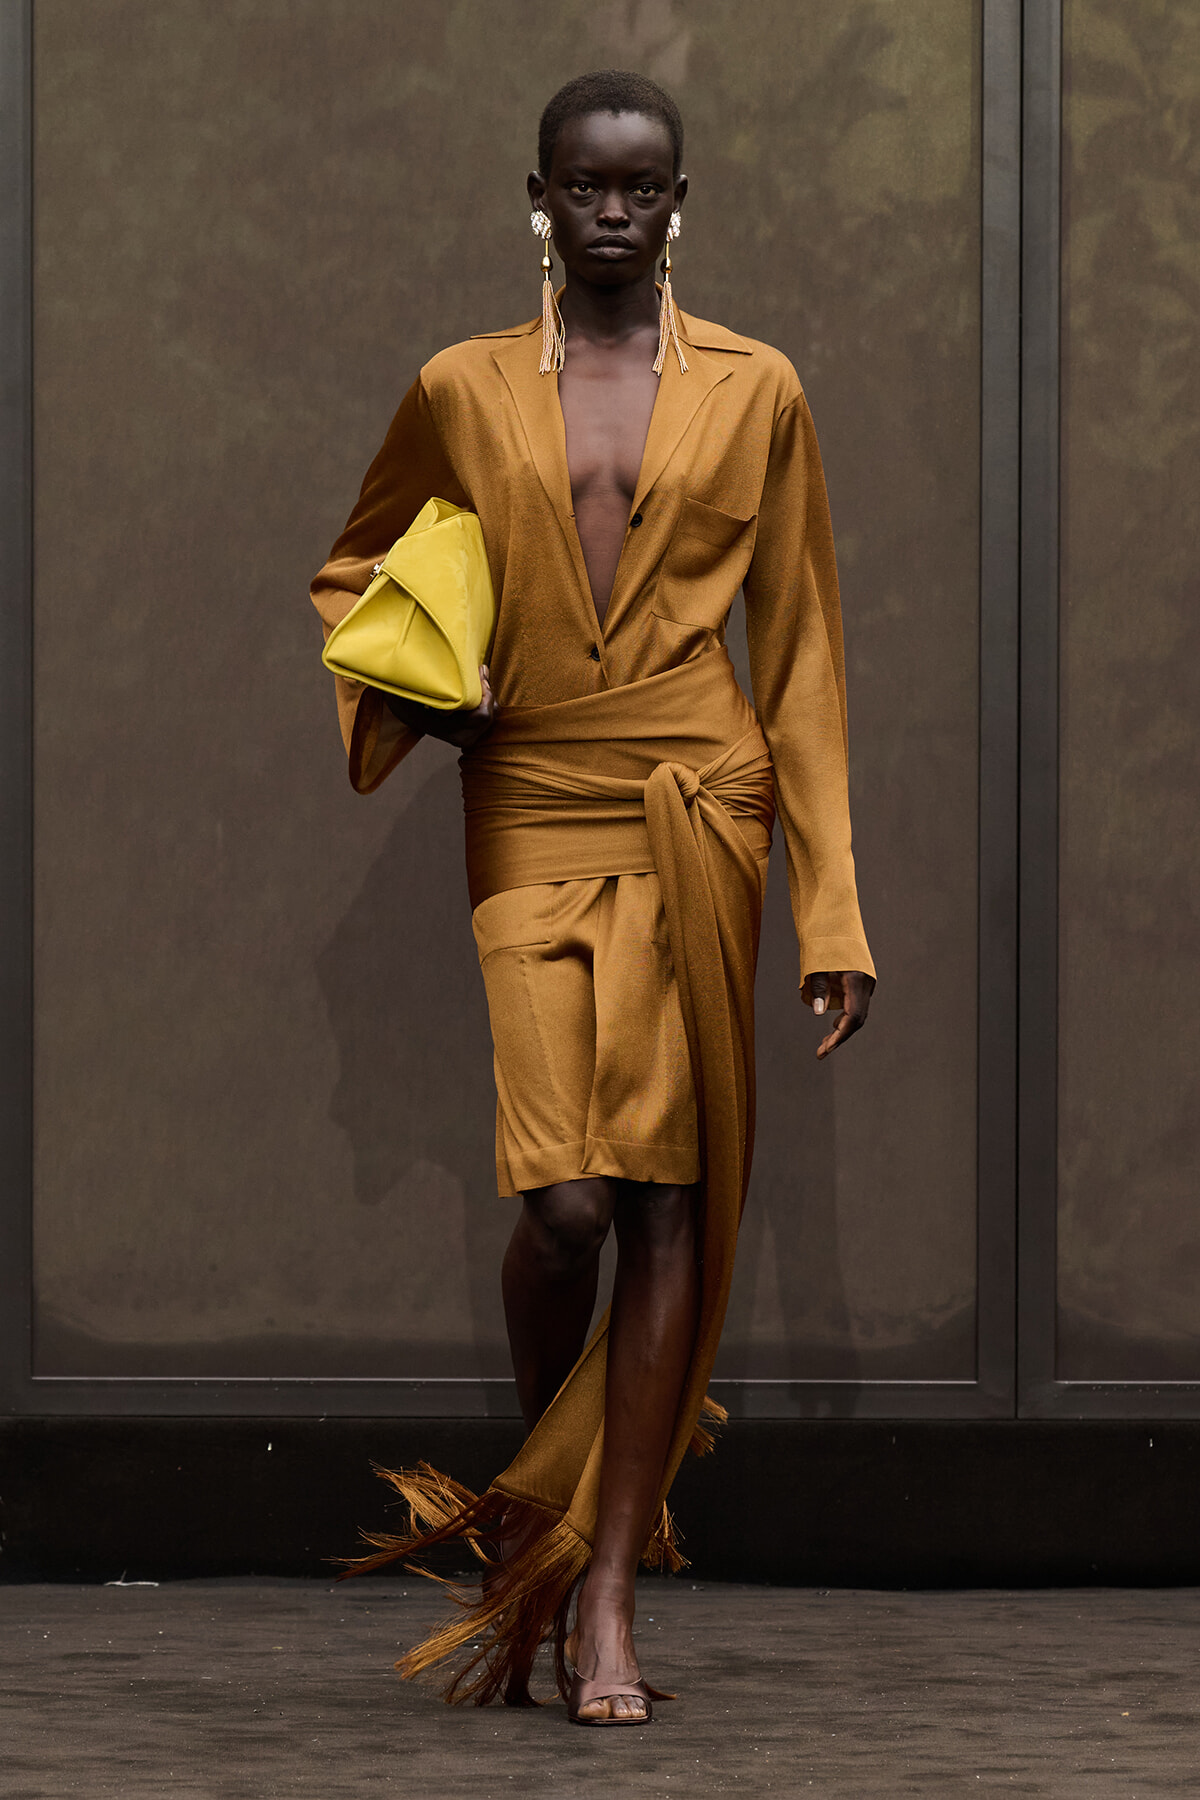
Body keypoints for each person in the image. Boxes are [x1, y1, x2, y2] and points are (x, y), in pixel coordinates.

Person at [311, 69, 875, 1726]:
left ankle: (603, 1580)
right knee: (563, 1202)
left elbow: (809, 654)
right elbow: (361, 568)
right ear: (539, 199)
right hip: (535, 792)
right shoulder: (463, 387)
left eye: (642, 188)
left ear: (679, 202)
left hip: (700, 801)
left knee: (666, 1196)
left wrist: (831, 904)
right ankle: (547, 1528)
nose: (614, 210)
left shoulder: (758, 388)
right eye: (585, 186)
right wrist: (436, 674)